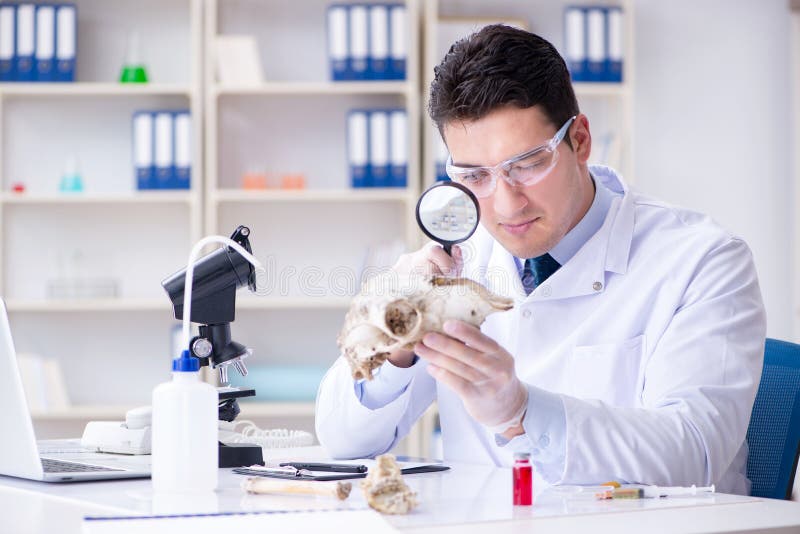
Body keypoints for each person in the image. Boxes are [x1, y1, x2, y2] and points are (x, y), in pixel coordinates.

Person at [316, 25, 766, 495]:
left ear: (581, 140)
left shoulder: (704, 260)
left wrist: (522, 411)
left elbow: (697, 455)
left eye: (528, 164)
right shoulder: (458, 263)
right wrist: (396, 341)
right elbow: (342, 440)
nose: (506, 204)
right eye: (475, 175)